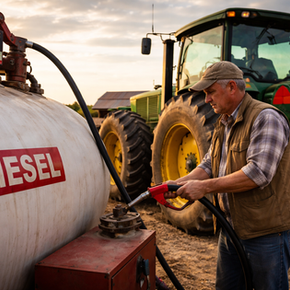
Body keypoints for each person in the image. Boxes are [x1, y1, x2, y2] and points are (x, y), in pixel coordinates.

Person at [164, 61, 290, 290]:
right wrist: (177, 183)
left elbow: (258, 173)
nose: (207, 100)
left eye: (211, 92)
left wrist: (205, 188)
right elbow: (209, 165)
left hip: (265, 234)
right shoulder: (224, 122)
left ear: (232, 87)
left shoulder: (266, 117)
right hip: (230, 230)